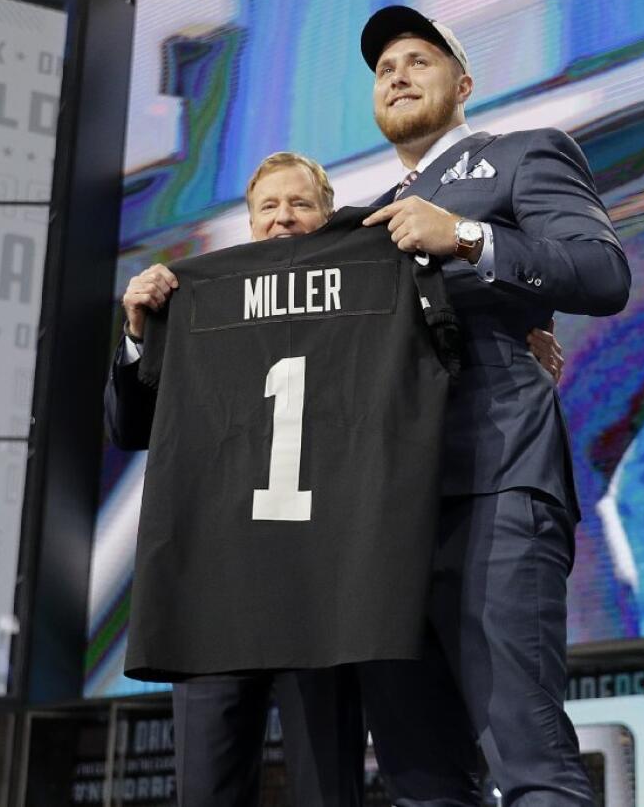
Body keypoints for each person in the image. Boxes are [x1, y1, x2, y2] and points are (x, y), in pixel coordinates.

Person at [106, 151, 567, 806]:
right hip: (216, 586)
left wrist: (522, 335)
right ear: (248, 222)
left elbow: (450, 336)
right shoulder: (196, 298)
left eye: (299, 205)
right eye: (268, 207)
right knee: (204, 791)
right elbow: (128, 427)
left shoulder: (376, 278)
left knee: (329, 790)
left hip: (320, 590)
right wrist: (137, 331)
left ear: (329, 216)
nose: (282, 218)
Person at [355, 6, 630, 807]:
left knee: (530, 758)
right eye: (384, 69)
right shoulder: (365, 218)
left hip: (497, 482)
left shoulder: (521, 156)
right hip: (384, 517)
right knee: (419, 777)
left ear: (464, 84)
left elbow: (602, 274)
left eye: (418, 59)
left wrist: (471, 240)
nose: (398, 73)